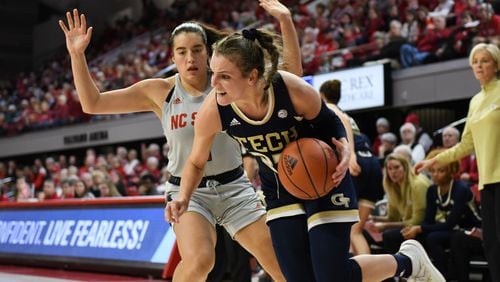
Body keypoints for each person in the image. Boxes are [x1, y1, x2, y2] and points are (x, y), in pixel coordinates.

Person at [165, 28, 445, 281]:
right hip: (280, 187)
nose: (213, 84)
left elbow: (332, 121)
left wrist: (345, 147)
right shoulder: (213, 111)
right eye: (213, 74)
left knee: (332, 277)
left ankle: (407, 262)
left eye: (224, 76)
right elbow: (196, 161)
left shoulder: (289, 89)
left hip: (324, 179)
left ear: (252, 77)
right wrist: (183, 198)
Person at [59, 1, 301, 280]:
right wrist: (77, 55)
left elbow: (290, 78)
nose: (190, 59)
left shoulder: (228, 81)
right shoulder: (159, 91)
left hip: (235, 187)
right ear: (172, 57)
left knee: (283, 267)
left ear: (208, 52)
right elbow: (93, 103)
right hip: (188, 192)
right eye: (182, 52)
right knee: (200, 260)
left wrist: (285, 20)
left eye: (197, 50)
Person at [415, 42, 500, 282]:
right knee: (492, 245)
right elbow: (465, 145)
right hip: (487, 182)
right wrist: (433, 161)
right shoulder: (474, 102)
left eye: (485, 60)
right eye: (475, 61)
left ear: (496, 64)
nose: (479, 65)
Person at [401, 149, 478, 279]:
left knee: (433, 237)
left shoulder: (461, 189)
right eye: (433, 171)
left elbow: (450, 223)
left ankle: (443, 276)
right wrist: (415, 229)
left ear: (451, 170)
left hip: (470, 230)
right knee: (416, 236)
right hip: (452, 230)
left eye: (441, 171)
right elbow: (428, 220)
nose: (435, 175)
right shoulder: (432, 190)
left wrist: (420, 228)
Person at [369, 153, 431, 254]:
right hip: (409, 226)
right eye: (389, 168)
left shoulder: (418, 184)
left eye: (397, 167)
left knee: (389, 235)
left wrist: (385, 226)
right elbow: (393, 217)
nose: (393, 172)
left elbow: (418, 220)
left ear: (405, 167)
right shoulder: (393, 186)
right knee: (366, 231)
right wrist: (373, 219)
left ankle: (398, 267)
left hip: (423, 227)